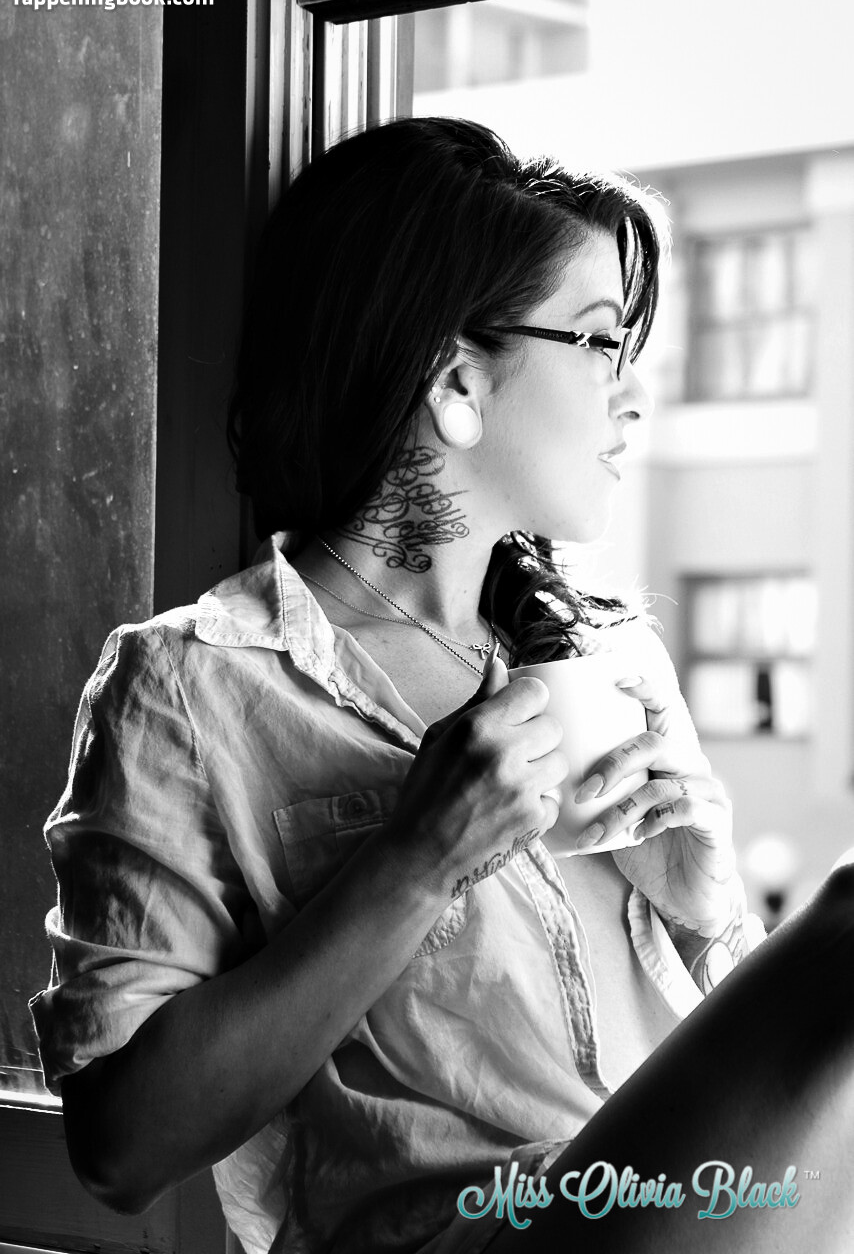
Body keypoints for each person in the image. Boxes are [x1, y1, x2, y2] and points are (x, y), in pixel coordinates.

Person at [30, 117, 854, 1254]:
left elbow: (771, 1134)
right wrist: (416, 859)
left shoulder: (609, 661)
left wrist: (703, 913)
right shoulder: (191, 684)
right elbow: (119, 1150)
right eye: (598, 342)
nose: (631, 396)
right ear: (457, 380)